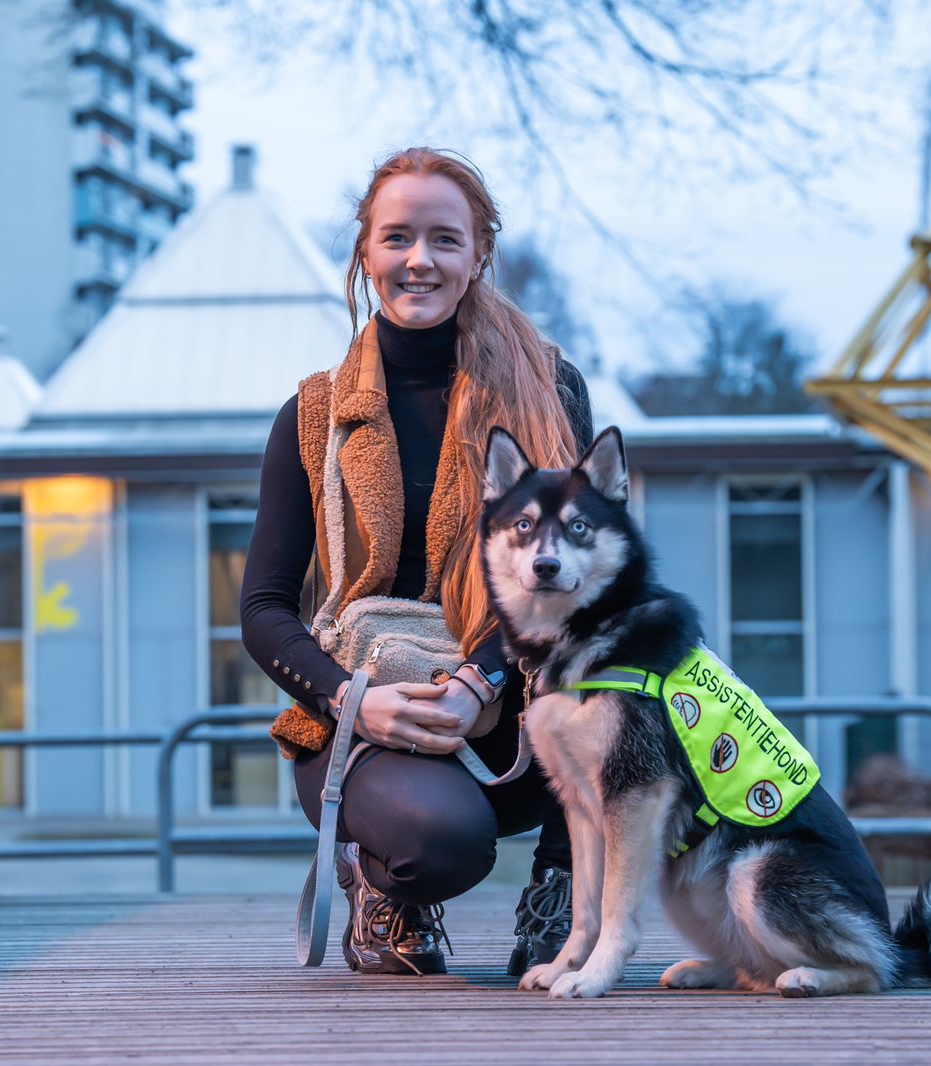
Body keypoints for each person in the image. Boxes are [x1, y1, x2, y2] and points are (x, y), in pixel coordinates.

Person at [240, 147, 594, 976]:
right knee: (444, 842)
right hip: (365, 711)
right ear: (366, 251)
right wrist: (352, 702)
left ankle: (564, 890)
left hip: (514, 702)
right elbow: (263, 609)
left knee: (647, 698)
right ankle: (381, 886)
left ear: (478, 255)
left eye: (444, 239)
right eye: (397, 237)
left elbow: (580, 577)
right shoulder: (313, 413)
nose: (419, 261)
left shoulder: (552, 391)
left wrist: (483, 680)